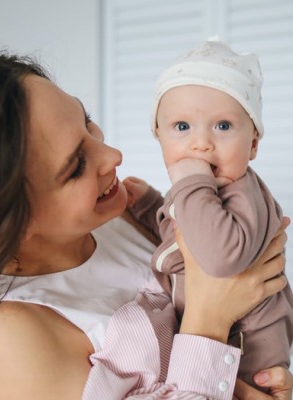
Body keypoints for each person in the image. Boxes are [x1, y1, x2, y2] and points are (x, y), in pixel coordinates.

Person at [0, 52, 292, 399]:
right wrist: (208, 319)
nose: (113, 156)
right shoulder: (10, 341)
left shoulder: (126, 216)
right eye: (75, 166)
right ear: (9, 224)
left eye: (87, 121)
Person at [123, 39, 293, 390]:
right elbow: (187, 239)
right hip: (213, 343)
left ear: (254, 144)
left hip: (247, 350)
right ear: (159, 136)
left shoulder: (240, 191)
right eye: (182, 127)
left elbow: (218, 258)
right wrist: (149, 206)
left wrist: (189, 184)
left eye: (223, 126)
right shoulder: (199, 192)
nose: (201, 143)